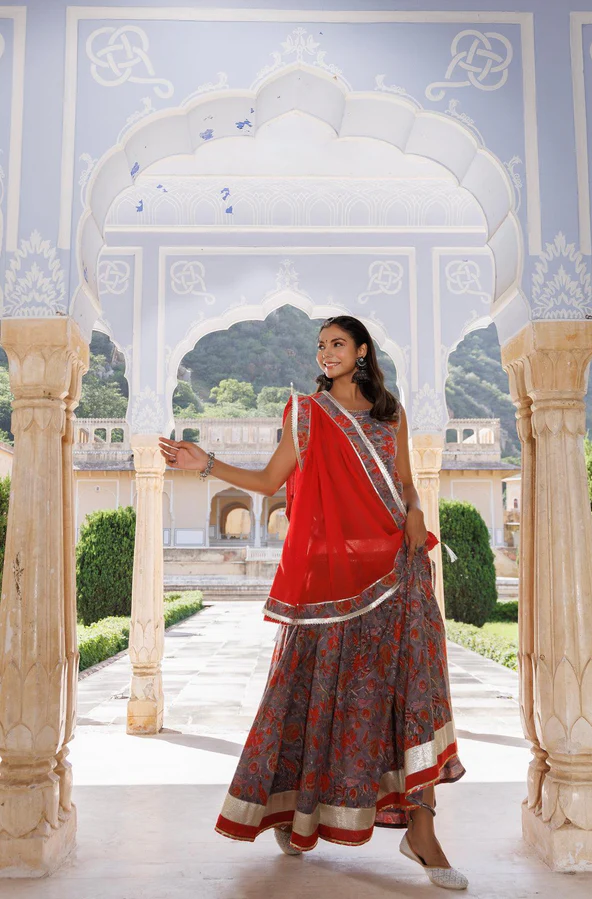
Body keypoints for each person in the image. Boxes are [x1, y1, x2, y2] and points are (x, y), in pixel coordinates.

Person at [158, 315, 468, 891]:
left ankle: (420, 832)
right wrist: (204, 464)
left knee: (413, 694)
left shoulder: (390, 412)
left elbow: (403, 480)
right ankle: (293, 809)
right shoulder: (306, 414)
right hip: (329, 582)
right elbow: (270, 480)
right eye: (321, 345)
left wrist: (417, 512)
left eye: (337, 344)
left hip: (397, 572)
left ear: (362, 351)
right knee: (311, 690)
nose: (327, 353)